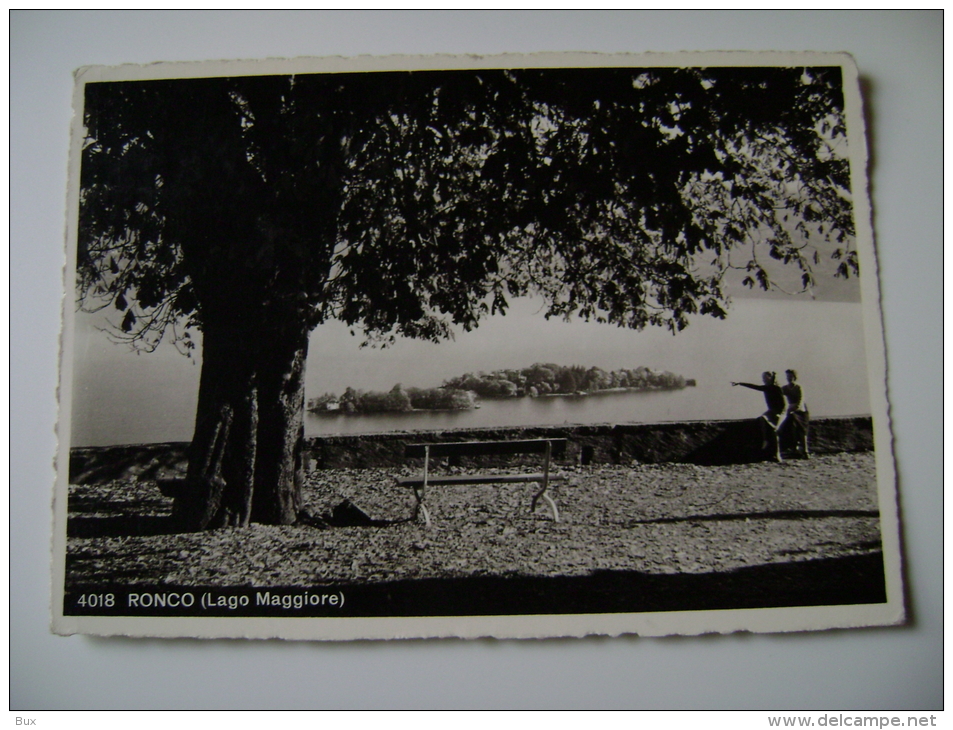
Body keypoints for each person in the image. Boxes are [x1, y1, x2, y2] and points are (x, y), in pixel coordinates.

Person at [732, 371, 785, 461]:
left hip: (778, 413)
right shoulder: (766, 388)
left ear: (770, 377)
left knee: (773, 431)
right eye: (762, 378)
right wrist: (740, 383)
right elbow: (754, 386)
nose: (763, 380)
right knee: (761, 420)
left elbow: (783, 405)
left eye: (765, 378)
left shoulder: (776, 388)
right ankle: (765, 444)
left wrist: (779, 415)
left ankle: (777, 453)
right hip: (770, 412)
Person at [781, 369, 810, 458]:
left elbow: (800, 401)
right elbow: (780, 398)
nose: (789, 378)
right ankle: (794, 449)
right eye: (787, 376)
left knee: (802, 430)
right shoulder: (784, 388)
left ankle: (805, 451)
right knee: (789, 426)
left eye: (790, 376)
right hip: (790, 411)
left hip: (801, 412)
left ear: (794, 377)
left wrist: (794, 409)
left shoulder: (798, 387)